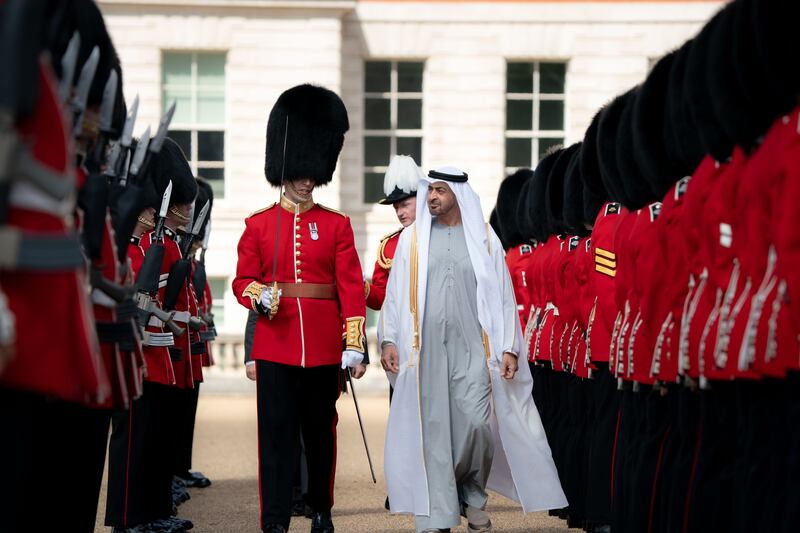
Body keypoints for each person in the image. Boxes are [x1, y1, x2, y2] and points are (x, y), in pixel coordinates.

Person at [379, 166, 567, 533]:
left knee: (478, 425)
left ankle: (473, 492)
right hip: (427, 349)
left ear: (457, 195)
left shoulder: (484, 238)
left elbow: (503, 296)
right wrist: (388, 339)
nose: (431, 197)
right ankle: (438, 513)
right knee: (433, 431)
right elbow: (395, 296)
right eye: (429, 190)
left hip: (475, 348)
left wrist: (510, 347)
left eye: (439, 191)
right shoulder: (412, 239)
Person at [232, 84, 368, 533]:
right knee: (275, 440)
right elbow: (241, 280)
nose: (307, 180)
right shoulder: (256, 225)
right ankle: (273, 521)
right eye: (300, 172)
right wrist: (258, 294)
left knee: (321, 436)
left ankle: (321, 510)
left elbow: (349, 287)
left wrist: (354, 343)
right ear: (285, 168)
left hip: (325, 349)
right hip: (275, 346)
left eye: (313, 172)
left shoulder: (336, 225)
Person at [365, 155, 421, 311]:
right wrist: (362, 286)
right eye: (396, 207)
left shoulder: (443, 235)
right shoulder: (389, 246)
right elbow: (380, 299)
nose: (400, 212)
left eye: (405, 205)